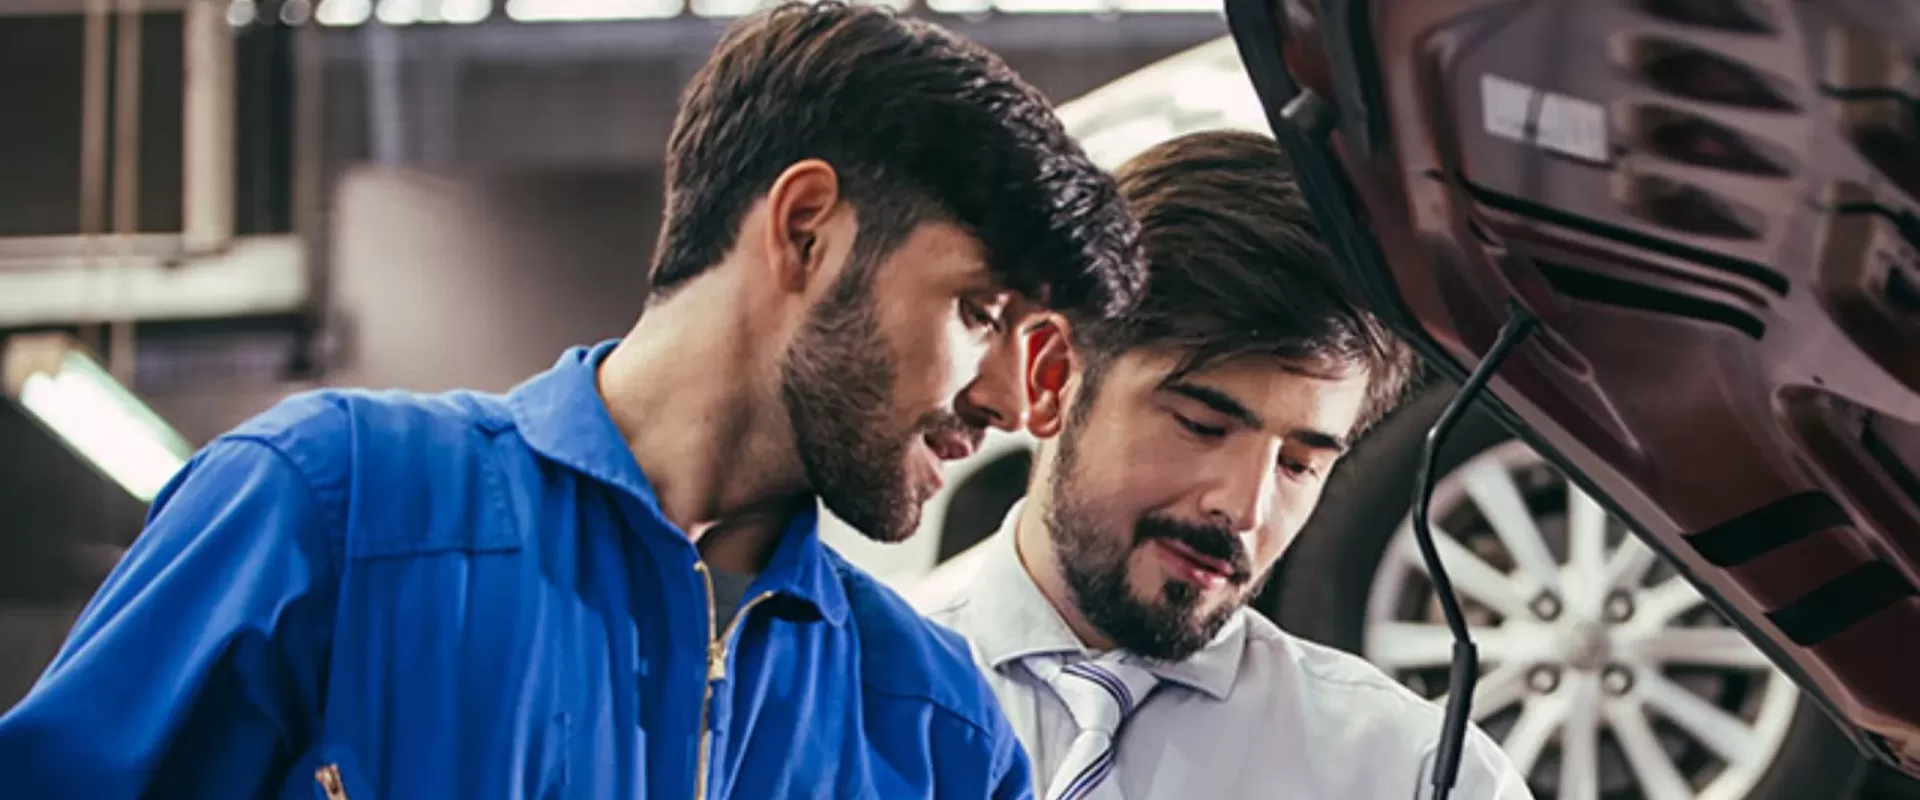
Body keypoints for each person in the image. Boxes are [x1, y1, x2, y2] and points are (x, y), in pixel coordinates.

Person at [0, 4, 1144, 798]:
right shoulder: (333, 512)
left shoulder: (932, 724)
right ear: (806, 229)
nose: (1006, 398)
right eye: (981, 311)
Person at [911, 130, 1533, 799]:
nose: (1244, 508)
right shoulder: (832, 701)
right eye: (1203, 427)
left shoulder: (1416, 776)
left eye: (1298, 463)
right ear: (1051, 377)